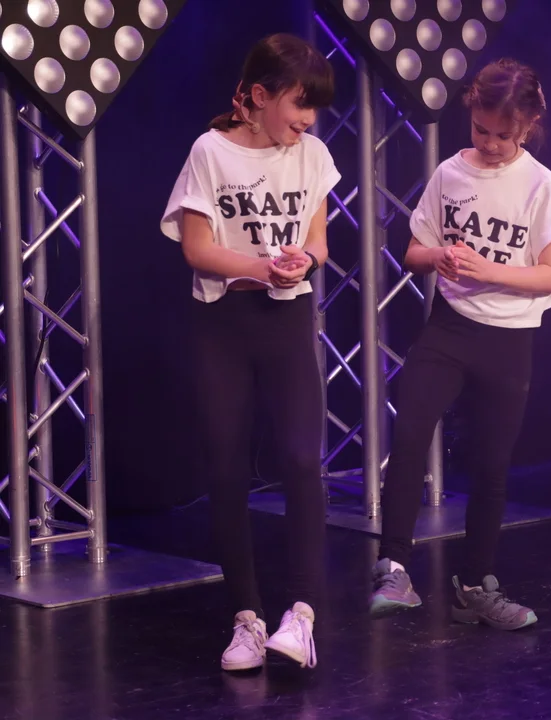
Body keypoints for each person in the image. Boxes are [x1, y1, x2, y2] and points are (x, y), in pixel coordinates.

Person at [367, 59, 551, 630]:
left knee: (492, 463)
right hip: (450, 327)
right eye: (480, 129)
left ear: (527, 126)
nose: (489, 143)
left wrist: (489, 270)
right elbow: (414, 251)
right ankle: (393, 567)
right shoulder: (450, 173)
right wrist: (440, 256)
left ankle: (476, 586)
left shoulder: (540, 184)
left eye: (502, 135)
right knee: (410, 433)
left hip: (509, 338)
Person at [160, 33, 340, 670]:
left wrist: (303, 260)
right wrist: (261, 267)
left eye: (315, 107)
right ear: (259, 96)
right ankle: (246, 618)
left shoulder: (312, 155)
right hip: (224, 325)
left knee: (301, 460)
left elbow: (318, 240)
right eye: (299, 102)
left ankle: (302, 615)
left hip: (286, 320)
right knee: (227, 468)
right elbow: (197, 248)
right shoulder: (210, 151)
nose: (308, 118)